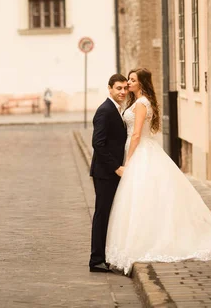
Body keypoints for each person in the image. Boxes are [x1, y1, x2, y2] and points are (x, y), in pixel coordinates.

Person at [105, 68, 211, 275]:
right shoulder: (137, 102)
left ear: (141, 83)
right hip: (141, 150)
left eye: (132, 80)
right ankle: (144, 237)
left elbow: (136, 135)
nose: (128, 83)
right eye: (128, 80)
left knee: (141, 197)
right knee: (141, 199)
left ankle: (148, 241)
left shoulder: (142, 104)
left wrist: (128, 160)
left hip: (140, 152)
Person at [89, 74, 128, 272]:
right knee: (102, 214)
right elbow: (98, 144)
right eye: (118, 88)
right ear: (110, 89)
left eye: (124, 88)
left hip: (111, 171)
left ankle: (104, 256)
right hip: (105, 173)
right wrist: (116, 167)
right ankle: (96, 260)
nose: (122, 92)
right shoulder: (105, 111)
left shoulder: (117, 109)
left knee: (110, 214)